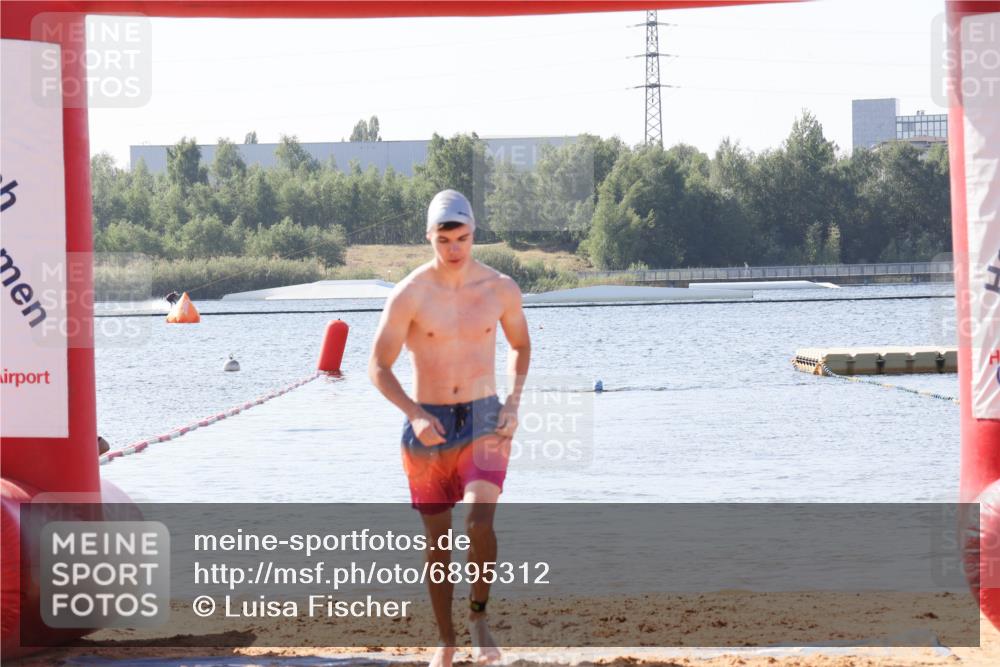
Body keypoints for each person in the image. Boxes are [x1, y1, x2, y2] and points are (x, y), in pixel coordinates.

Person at [368, 189, 531, 667]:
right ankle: (446, 638)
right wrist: (415, 413)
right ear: (429, 238)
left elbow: (520, 345)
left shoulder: (501, 288)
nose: (454, 248)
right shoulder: (410, 294)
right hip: (428, 424)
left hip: (484, 416)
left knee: (479, 523)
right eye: (444, 239)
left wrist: (514, 401)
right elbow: (378, 366)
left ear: (474, 234)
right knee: (437, 544)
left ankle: (479, 616)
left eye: (462, 238)